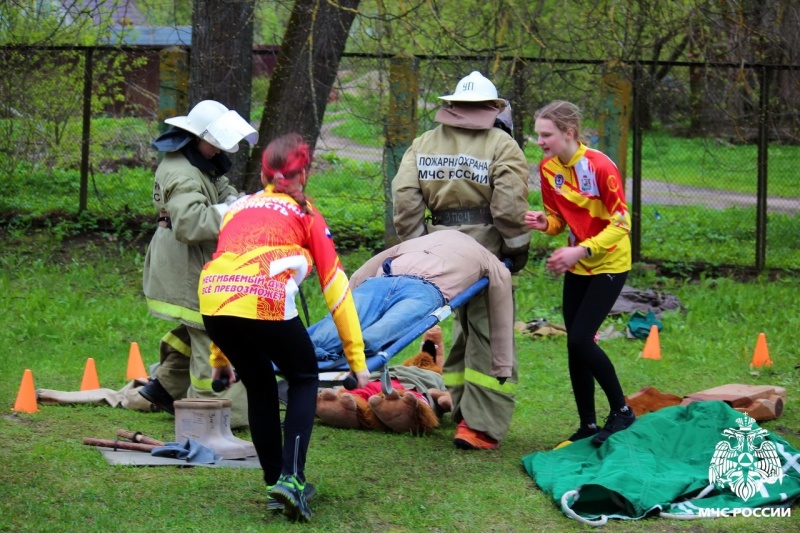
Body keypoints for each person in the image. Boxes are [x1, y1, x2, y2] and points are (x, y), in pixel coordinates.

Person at [198, 133, 370, 522]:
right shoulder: (306, 213)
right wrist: (356, 360)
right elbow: (336, 287)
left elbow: (225, 269)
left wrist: (219, 357)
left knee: (259, 384)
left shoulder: (236, 208)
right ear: (303, 174)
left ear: (263, 174)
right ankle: (292, 480)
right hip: (265, 297)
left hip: (212, 299)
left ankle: (274, 482)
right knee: (304, 376)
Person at [392, 71, 531, 450]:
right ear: (492, 107)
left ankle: (457, 405)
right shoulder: (502, 145)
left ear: (452, 105)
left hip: (438, 254)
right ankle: (479, 425)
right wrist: (516, 250)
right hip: (485, 254)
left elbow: (405, 198)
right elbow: (509, 207)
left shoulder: (424, 143)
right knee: (489, 335)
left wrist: (420, 246)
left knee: (462, 330)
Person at [524, 100, 636, 448]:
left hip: (610, 263)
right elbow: (558, 220)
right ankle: (587, 424)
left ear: (569, 132)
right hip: (579, 265)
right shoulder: (547, 169)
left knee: (579, 339)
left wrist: (582, 249)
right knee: (576, 348)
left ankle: (622, 411)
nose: (540, 141)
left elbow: (623, 223)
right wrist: (546, 224)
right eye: (538, 134)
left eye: (547, 134)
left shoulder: (600, 166)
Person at [140, 100, 258, 428]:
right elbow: (191, 224)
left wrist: (237, 201)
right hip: (183, 268)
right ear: (196, 137)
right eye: (216, 144)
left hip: (190, 267)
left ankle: (165, 388)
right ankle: (214, 411)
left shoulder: (202, 160)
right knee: (211, 336)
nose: (220, 150)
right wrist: (232, 212)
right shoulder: (179, 170)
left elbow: (222, 190)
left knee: (192, 332)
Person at [308, 231, 514, 383]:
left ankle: (319, 354)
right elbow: (501, 303)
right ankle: (315, 354)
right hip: (400, 286)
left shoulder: (423, 239)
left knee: (360, 335)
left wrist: (502, 364)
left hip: (403, 286)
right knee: (371, 335)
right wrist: (502, 366)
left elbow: (361, 273)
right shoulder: (488, 256)